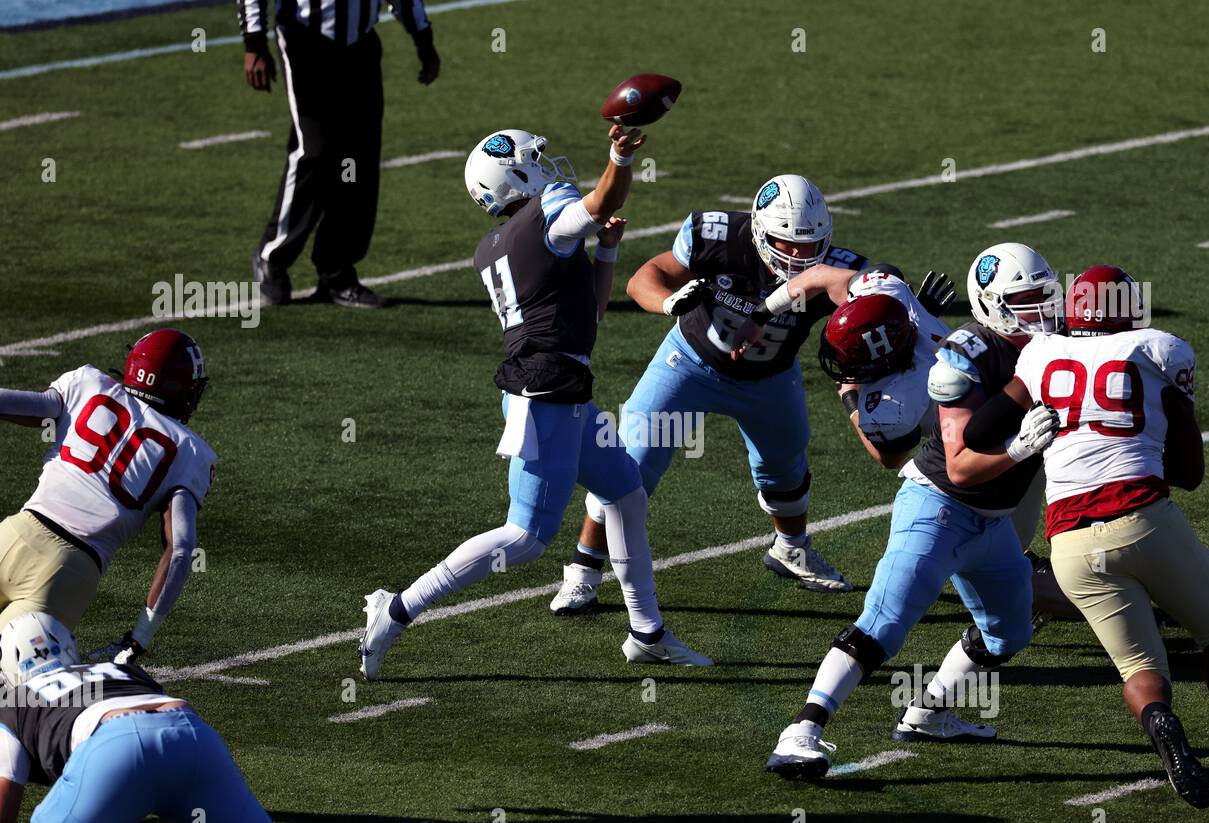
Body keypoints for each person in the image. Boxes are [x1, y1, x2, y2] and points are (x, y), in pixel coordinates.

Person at [359, 124, 711, 678]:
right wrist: (618, 158)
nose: (549, 165)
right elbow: (599, 202)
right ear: (513, 173)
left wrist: (608, 253)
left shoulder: (495, 245)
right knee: (523, 538)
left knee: (624, 491)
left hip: (558, 388)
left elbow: (587, 314)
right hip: (544, 395)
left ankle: (647, 632)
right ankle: (397, 609)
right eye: (535, 158)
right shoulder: (545, 212)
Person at [959, 264, 1209, 807]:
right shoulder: (1158, 351)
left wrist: (1030, 437)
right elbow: (1189, 474)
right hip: (1143, 518)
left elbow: (976, 431)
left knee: (1139, 669)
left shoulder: (1042, 354)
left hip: (1068, 543)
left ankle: (1161, 719)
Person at [767, 243, 1064, 777]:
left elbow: (869, 279)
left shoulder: (1047, 343)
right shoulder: (958, 359)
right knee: (884, 622)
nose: (1041, 309)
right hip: (939, 505)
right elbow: (958, 468)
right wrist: (1020, 449)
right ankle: (800, 732)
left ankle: (928, 710)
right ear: (991, 305)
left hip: (994, 519)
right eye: (1024, 300)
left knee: (1009, 632)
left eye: (1044, 294)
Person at [548, 175, 871, 614]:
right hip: (689, 363)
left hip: (770, 377)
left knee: (785, 468)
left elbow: (877, 304)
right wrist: (668, 301)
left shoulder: (836, 268)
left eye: (810, 244)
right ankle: (583, 572)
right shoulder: (717, 237)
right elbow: (646, 276)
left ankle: (790, 549)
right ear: (759, 230)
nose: (799, 254)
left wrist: (901, 303)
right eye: (787, 243)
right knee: (630, 464)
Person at [0, 613, 479, 823]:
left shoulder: (13, 701)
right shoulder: (121, 670)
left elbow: (5, 806)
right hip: (191, 733)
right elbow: (170, 788)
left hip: (113, 744)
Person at [0, 330, 216, 663]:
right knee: (15, 690)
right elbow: (181, 548)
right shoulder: (190, 451)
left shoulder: (88, 383)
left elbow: (33, 407)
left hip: (13, 534)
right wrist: (138, 638)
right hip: (67, 572)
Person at [240, 0, 442, 308]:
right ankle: (273, 256)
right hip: (305, 41)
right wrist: (254, 43)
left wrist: (423, 40)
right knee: (314, 150)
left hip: (359, 44)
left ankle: (337, 272)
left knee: (358, 157)